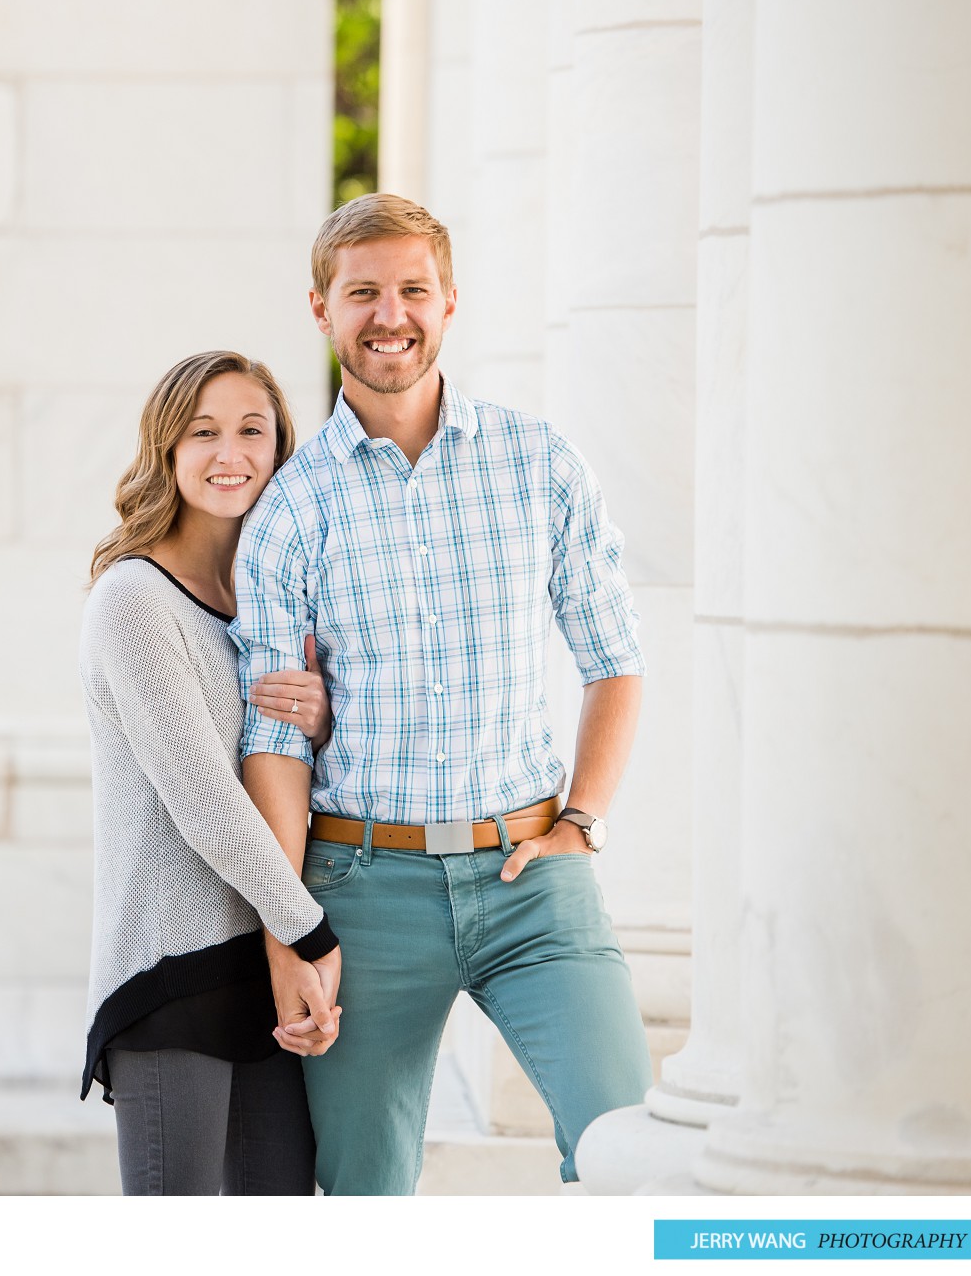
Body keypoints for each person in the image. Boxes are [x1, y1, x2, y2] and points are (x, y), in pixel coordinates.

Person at [234, 194, 654, 1195]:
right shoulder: (289, 507)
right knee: (366, 1192)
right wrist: (288, 933)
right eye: (364, 292)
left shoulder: (538, 462)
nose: (391, 315)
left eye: (413, 289)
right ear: (322, 308)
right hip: (363, 886)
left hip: (532, 879)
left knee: (630, 1154)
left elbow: (614, 659)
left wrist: (582, 821)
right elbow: (275, 743)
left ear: (450, 301)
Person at [78, 349, 345, 1196]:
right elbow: (202, 797)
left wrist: (322, 719)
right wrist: (311, 934)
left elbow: (290, 768)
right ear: (166, 447)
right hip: (175, 971)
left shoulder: (266, 600)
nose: (229, 452)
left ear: (279, 448)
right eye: (203, 431)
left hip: (260, 960)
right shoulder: (135, 599)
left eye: (251, 430)